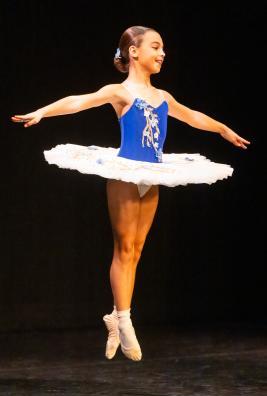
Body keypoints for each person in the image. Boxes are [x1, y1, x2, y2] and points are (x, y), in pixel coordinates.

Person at [11, 25, 250, 362]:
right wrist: (42, 111)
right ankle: (124, 320)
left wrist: (224, 129)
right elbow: (79, 101)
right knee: (123, 247)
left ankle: (114, 314)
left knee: (136, 250)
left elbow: (192, 116)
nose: (163, 53)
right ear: (134, 52)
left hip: (152, 174)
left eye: (163, 47)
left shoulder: (164, 97)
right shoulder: (120, 92)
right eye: (156, 46)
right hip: (125, 172)